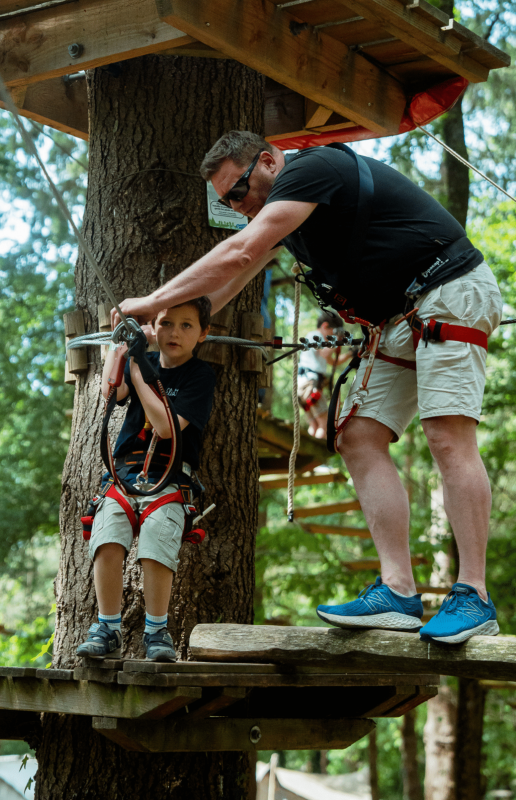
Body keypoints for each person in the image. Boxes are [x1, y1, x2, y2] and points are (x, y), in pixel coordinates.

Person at [112, 130, 502, 645]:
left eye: (239, 191)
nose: (238, 206)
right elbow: (235, 277)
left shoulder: (309, 170)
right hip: (398, 316)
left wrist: (150, 300)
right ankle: (398, 591)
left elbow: (240, 251)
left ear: (270, 161)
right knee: (358, 435)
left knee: (446, 436)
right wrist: (162, 325)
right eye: (227, 200)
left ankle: (473, 594)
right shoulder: (286, 215)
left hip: (450, 288)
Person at [77, 298, 215, 662]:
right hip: (123, 475)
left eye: (187, 325)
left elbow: (167, 426)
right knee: (108, 532)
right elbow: (111, 392)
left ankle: (157, 630)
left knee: (158, 531)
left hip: (168, 479)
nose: (174, 333)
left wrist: (137, 371)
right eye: (166, 324)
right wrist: (119, 346)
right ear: (153, 328)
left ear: (204, 334)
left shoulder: (200, 376)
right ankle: (107, 626)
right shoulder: (143, 359)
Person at [297, 310, 352, 438]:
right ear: (325, 326)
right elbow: (325, 353)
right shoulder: (316, 335)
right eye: (333, 333)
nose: (332, 338)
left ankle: (306, 452)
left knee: (315, 425)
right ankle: (318, 455)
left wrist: (350, 354)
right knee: (325, 425)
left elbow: (333, 361)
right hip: (311, 385)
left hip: (304, 387)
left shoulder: (315, 338)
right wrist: (337, 341)